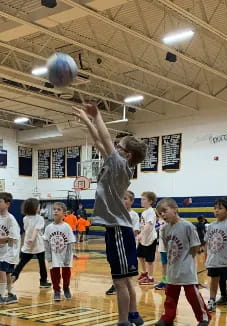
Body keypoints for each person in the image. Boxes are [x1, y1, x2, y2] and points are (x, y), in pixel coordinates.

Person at [73, 103, 146, 326]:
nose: (114, 147)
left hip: (118, 230)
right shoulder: (115, 164)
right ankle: (134, 315)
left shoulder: (121, 165)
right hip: (115, 230)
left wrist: (97, 116)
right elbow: (98, 141)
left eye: (118, 146)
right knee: (125, 279)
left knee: (120, 282)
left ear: (127, 154)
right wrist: (87, 121)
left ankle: (123, 321)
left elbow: (104, 138)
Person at [155, 198, 210, 326]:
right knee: (170, 297)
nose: (162, 215)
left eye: (164, 211)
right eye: (159, 213)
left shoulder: (188, 226)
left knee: (193, 296)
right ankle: (168, 317)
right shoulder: (164, 229)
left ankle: (204, 318)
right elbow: (169, 250)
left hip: (186, 269)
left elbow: (196, 247)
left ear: (175, 209)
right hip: (172, 269)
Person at [0, 192, 20, 305]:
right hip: (1, 251)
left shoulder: (11, 219)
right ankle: (12, 295)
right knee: (6, 273)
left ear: (7, 204)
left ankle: (1, 296)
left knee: (2, 271)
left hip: (10, 251)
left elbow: (12, 237)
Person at [11, 198, 51, 288]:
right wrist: (32, 239)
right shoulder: (40, 218)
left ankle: (14, 276)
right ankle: (43, 281)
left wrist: (28, 239)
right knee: (42, 264)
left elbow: (27, 230)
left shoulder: (25, 218)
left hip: (27, 244)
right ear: (35, 208)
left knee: (21, 263)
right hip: (38, 244)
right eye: (38, 206)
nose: (39, 207)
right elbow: (36, 229)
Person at [106, 190, 140, 296]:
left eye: (125, 198)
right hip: (116, 246)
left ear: (132, 201)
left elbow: (135, 231)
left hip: (128, 246)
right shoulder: (116, 213)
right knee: (116, 267)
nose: (122, 201)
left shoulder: (133, 215)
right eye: (121, 198)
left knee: (127, 273)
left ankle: (124, 287)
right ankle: (115, 285)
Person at [44, 202, 76, 301]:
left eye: (58, 209)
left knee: (66, 273)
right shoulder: (49, 228)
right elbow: (46, 242)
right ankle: (56, 291)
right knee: (54, 273)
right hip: (54, 255)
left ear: (64, 213)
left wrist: (68, 256)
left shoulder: (67, 227)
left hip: (65, 254)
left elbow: (70, 242)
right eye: (54, 209)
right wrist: (48, 256)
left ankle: (66, 288)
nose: (56, 211)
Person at [137, 191, 158, 285]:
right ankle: (144, 273)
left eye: (143, 199)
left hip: (150, 239)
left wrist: (141, 233)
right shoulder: (144, 212)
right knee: (140, 256)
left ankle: (150, 277)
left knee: (149, 260)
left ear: (150, 201)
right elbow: (142, 224)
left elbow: (149, 225)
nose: (141, 201)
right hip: (143, 239)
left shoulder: (151, 212)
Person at [155, 212, 167, 290]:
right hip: (162, 247)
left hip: (168, 248)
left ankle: (168, 282)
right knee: (164, 265)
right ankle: (164, 281)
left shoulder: (167, 222)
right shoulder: (159, 222)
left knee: (168, 265)